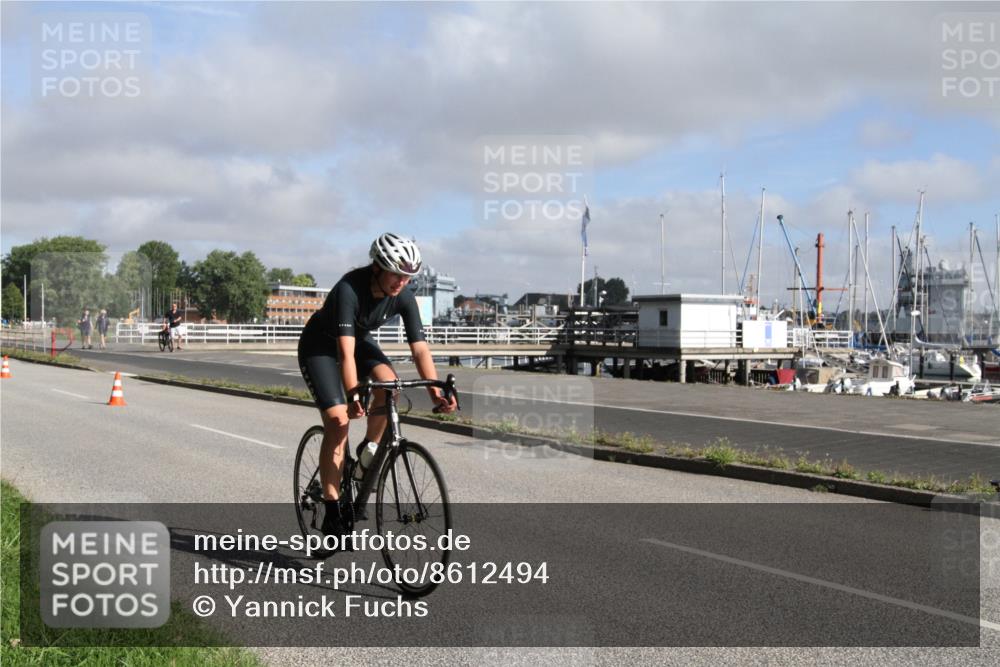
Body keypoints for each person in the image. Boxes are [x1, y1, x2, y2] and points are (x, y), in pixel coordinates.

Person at [298, 233, 457, 540]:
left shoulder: (404, 296)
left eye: (408, 277)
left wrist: (436, 393)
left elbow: (420, 350)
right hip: (321, 346)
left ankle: (368, 450)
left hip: (358, 342)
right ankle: (331, 507)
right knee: (338, 421)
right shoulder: (349, 288)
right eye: (396, 275)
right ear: (377, 268)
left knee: (390, 384)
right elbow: (344, 353)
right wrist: (354, 392)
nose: (402, 282)